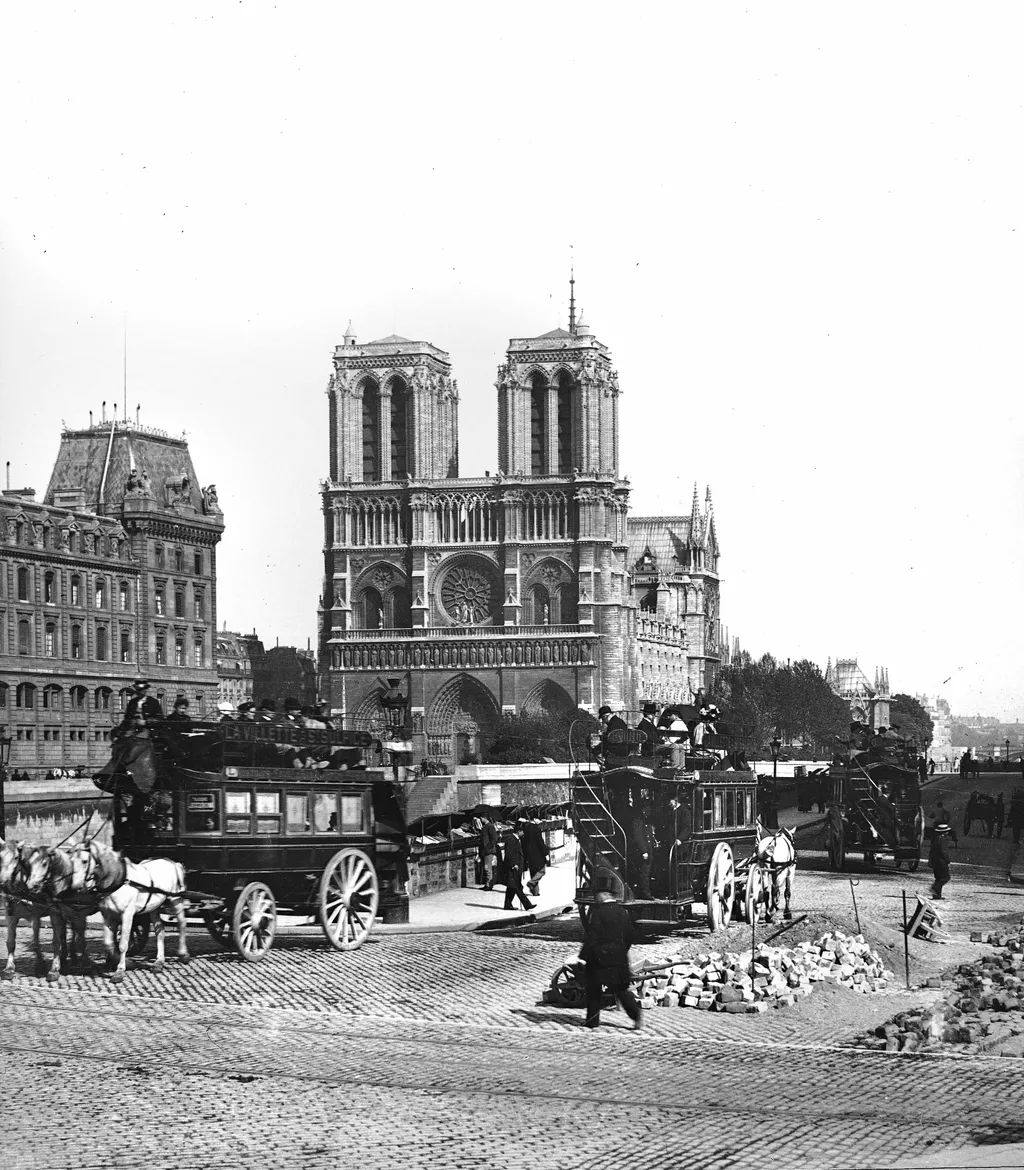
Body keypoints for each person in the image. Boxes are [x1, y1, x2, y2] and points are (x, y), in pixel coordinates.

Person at [579, 870, 643, 1030]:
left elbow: (592, 937)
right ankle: (636, 1015)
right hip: (619, 959)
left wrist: (583, 957)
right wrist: (621, 949)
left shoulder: (598, 914)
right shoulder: (623, 912)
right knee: (621, 990)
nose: (596, 897)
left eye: (597, 894)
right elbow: (630, 935)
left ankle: (592, 1021)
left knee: (593, 989)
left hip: (599, 959)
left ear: (604, 894)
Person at [500, 823, 534, 911]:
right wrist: (513, 864)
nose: (523, 833)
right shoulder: (511, 839)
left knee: (511, 887)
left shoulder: (516, 839)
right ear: (518, 831)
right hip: (513, 868)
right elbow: (509, 854)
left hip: (516, 867)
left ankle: (507, 905)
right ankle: (527, 905)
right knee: (517, 887)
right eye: (522, 832)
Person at [627, 802, 654, 899]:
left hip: (648, 851)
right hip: (643, 852)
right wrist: (644, 851)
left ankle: (645, 892)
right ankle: (645, 894)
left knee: (646, 873)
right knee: (644, 874)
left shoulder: (646, 822)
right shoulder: (638, 822)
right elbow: (638, 838)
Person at [522, 817, 550, 897]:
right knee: (542, 870)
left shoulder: (526, 828)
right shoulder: (536, 829)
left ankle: (535, 892)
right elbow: (540, 842)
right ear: (534, 819)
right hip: (537, 854)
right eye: (539, 819)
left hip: (528, 854)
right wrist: (545, 853)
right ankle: (531, 883)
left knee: (533, 871)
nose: (540, 821)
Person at [928, 821, 954, 899]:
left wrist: (930, 860)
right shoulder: (943, 839)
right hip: (941, 861)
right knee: (945, 878)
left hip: (935, 861)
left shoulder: (935, 838)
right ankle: (935, 889)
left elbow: (931, 850)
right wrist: (948, 861)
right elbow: (943, 851)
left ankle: (937, 895)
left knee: (938, 878)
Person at [477, 815, 499, 890]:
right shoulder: (486, 827)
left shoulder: (490, 826)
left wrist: (488, 847)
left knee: (487, 868)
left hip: (488, 851)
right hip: (485, 851)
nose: (480, 819)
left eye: (481, 818)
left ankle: (489, 885)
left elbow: (494, 838)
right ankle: (487, 884)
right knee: (486, 868)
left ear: (484, 818)